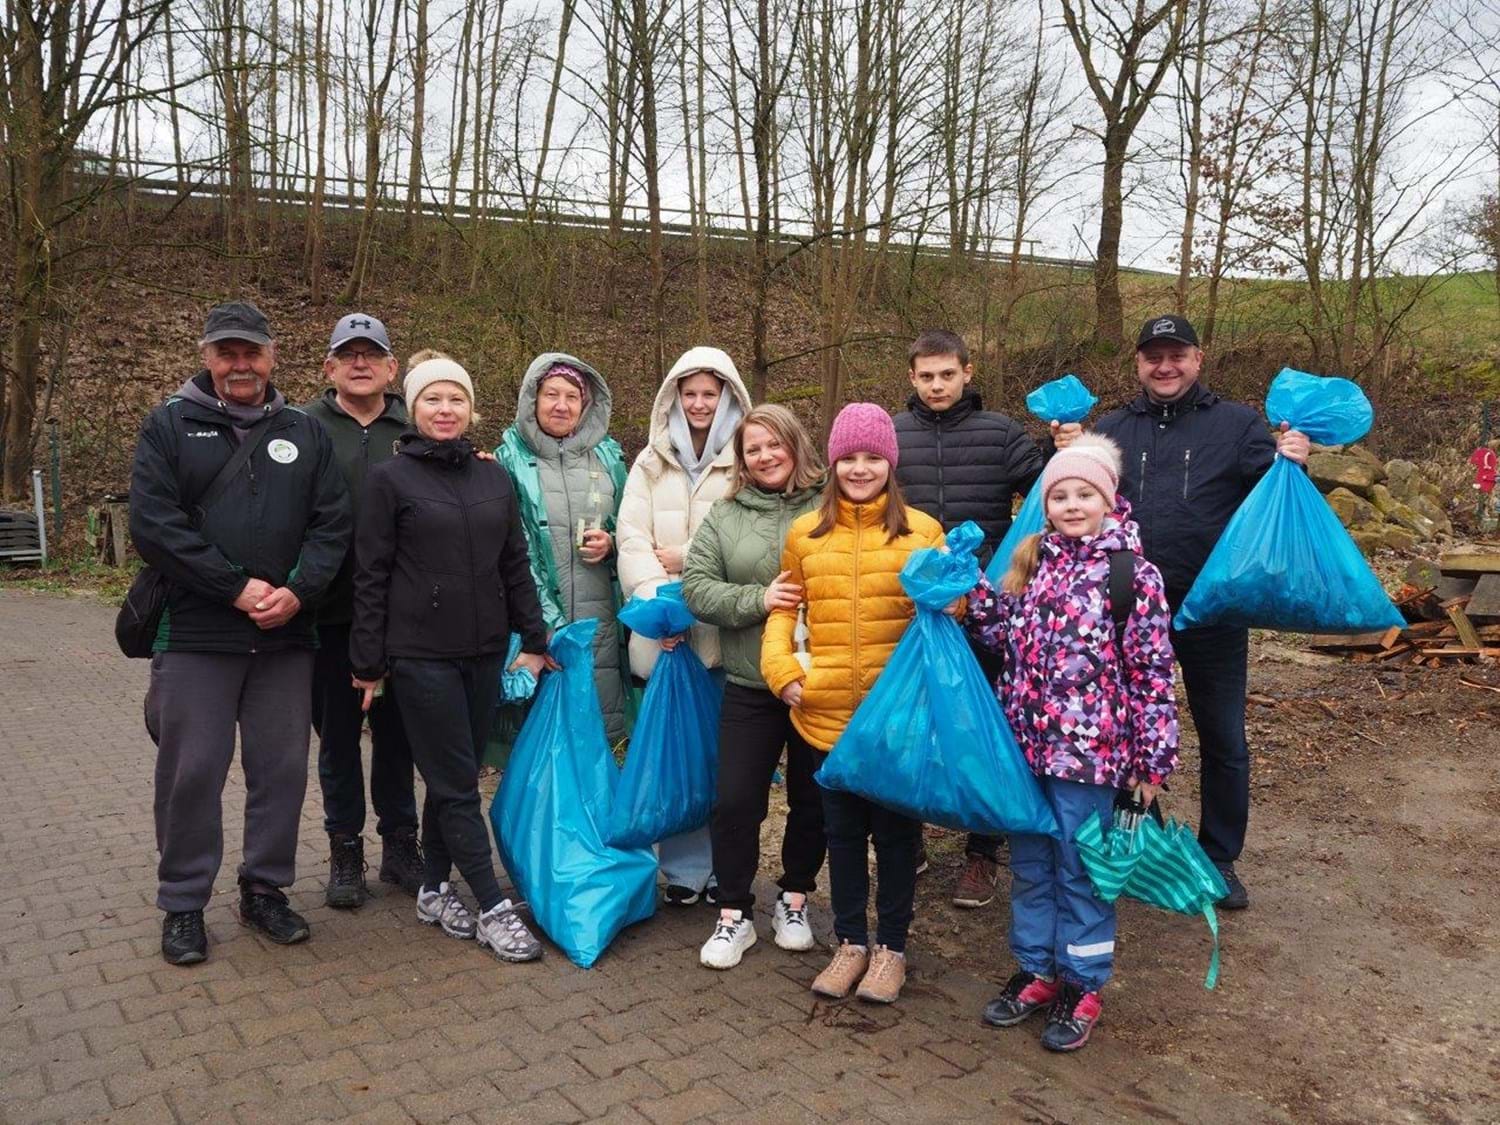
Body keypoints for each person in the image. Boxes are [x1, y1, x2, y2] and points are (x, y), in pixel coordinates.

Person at [1057, 314, 1310, 910]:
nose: (1165, 366)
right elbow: (1072, 501)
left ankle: (1219, 858)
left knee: (1222, 737)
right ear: (1138, 364)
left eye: (1177, 355)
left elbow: (1276, 497)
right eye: (1153, 356)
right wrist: (1063, 452)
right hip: (1121, 611)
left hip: (1211, 608)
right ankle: (1138, 841)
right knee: (1118, 731)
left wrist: (1296, 463)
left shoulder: (1238, 424)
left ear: (1198, 359)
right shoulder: (1111, 429)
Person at [130, 301, 352, 965]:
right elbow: (154, 526)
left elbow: (332, 525)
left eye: (251, 352)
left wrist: (299, 591)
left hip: (285, 637)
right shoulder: (168, 425)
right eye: (226, 352)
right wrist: (233, 586)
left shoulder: (303, 432)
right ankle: (183, 903)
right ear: (206, 356)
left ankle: (264, 889)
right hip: (196, 633)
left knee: (280, 771)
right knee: (192, 771)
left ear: (271, 356)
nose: (239, 365)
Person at [963, 434, 1179, 1052]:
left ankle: (1082, 984)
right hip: (1025, 749)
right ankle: (1037, 970)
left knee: (1081, 871)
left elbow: (1152, 671)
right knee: (1031, 866)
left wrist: (1153, 759)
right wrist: (969, 594)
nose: (1072, 505)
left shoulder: (1132, 575)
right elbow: (1005, 634)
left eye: (1085, 494)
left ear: (1108, 501)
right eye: (1060, 496)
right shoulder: (1033, 562)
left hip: (1090, 759)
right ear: (1045, 504)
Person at [349, 353, 548, 963]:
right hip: (420, 654)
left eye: (456, 399)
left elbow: (515, 563)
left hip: (485, 651)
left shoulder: (494, 478)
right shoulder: (389, 480)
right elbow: (371, 575)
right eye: (432, 399)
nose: (445, 409)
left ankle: (434, 889)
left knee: (450, 775)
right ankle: (491, 904)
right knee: (458, 783)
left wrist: (534, 638)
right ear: (413, 408)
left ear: (471, 409)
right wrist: (368, 661)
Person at [760, 403, 948, 1004]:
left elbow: (948, 617)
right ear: (832, 463)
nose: (860, 469)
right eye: (848, 458)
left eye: (872, 457)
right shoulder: (805, 535)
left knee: (895, 839)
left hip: (896, 723)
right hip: (828, 717)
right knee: (840, 837)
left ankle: (891, 950)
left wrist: (956, 594)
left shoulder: (923, 532)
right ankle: (849, 944)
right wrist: (782, 673)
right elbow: (785, 609)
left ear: (890, 463)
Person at [894, 328, 1044, 910]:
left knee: (986, 726)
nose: (937, 386)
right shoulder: (893, 434)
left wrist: (1066, 448)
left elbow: (1048, 494)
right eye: (926, 376)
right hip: (909, 604)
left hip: (985, 608)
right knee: (911, 723)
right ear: (912, 377)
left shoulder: (1000, 433)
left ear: (967, 372)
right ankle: (908, 841)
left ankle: (982, 853)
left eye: (947, 375)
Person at [682, 405, 828, 969]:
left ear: (795, 445)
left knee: (812, 799)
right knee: (736, 800)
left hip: (819, 684)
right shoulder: (725, 515)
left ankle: (794, 899)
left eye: (774, 444)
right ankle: (734, 913)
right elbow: (696, 588)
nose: (766, 456)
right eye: (753, 449)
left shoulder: (831, 504)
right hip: (749, 680)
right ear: (741, 459)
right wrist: (758, 599)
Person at [617, 347, 753, 905]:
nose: (699, 404)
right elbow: (631, 537)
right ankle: (683, 870)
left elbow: (747, 533)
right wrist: (660, 606)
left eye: (709, 394)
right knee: (675, 756)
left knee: (722, 761)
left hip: (723, 634)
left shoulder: (745, 459)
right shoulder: (650, 462)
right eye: (689, 393)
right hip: (669, 639)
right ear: (673, 397)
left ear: (727, 398)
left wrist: (688, 560)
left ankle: (725, 869)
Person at [302, 314, 422, 908]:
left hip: (404, 615)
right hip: (329, 613)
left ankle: (401, 844)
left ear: (390, 367)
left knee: (398, 738)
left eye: (370, 354)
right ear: (329, 367)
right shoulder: (302, 427)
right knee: (338, 740)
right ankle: (344, 848)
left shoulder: (415, 427)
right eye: (347, 354)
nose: (359, 363)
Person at [495, 353, 629, 745]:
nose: (561, 405)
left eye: (572, 396)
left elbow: (633, 525)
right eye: (551, 394)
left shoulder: (609, 457)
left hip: (603, 618)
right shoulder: (507, 461)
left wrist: (613, 542)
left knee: (603, 734)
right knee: (543, 742)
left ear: (585, 404)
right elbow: (509, 549)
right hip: (536, 622)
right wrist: (543, 626)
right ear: (532, 399)